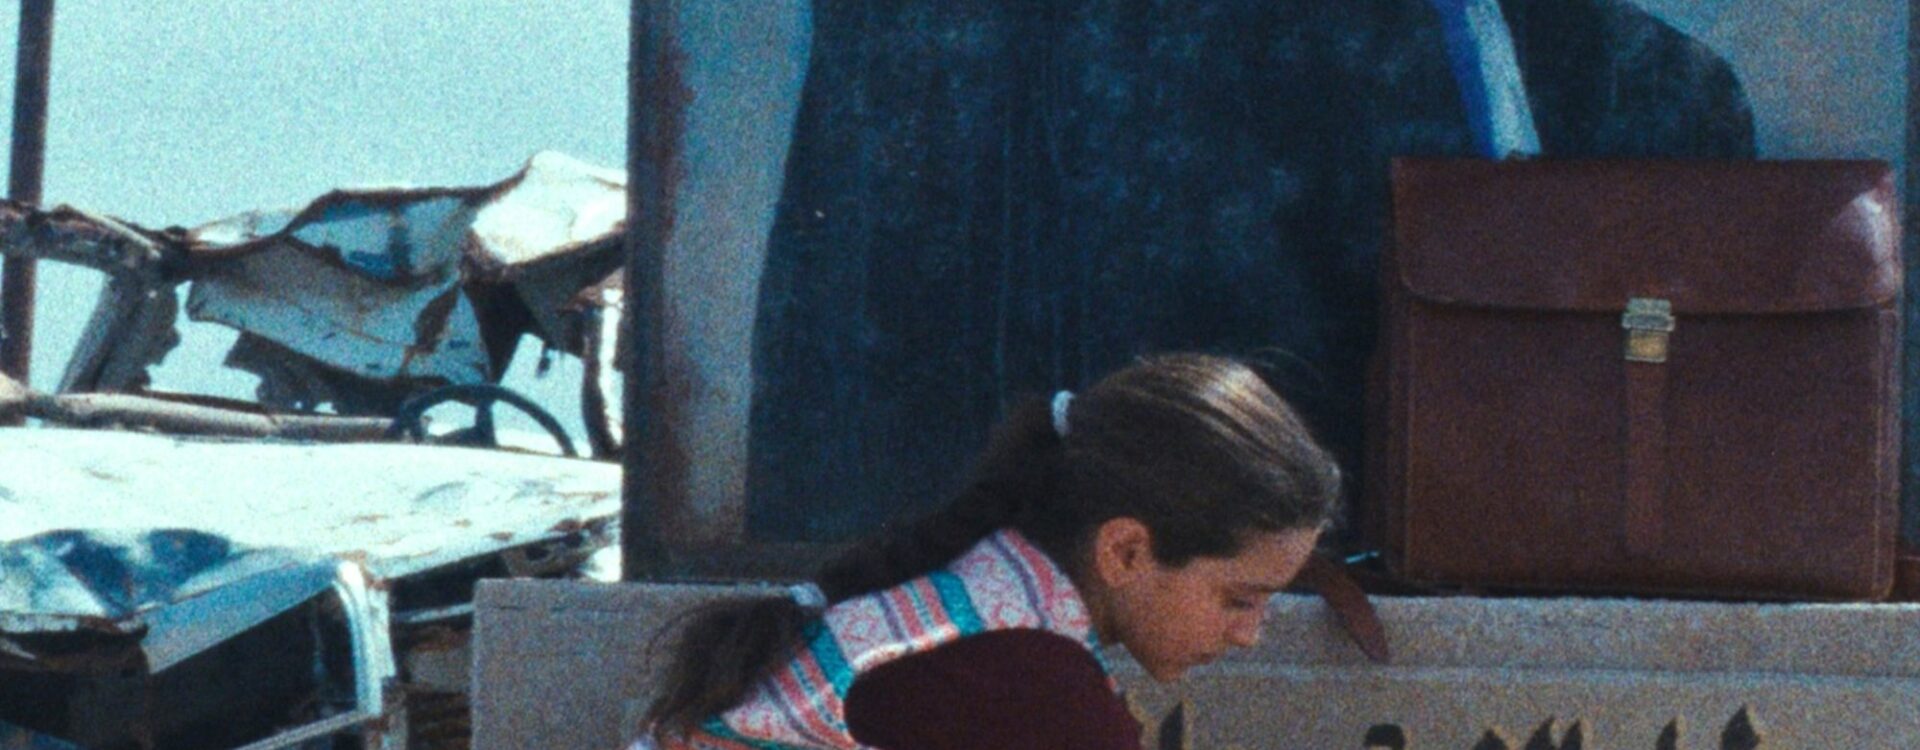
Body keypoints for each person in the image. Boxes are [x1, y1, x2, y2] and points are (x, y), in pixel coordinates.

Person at [632, 353, 1343, 749]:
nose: (1250, 635)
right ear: (1125, 551)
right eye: (1239, 599)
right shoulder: (1033, 689)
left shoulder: (984, 601)